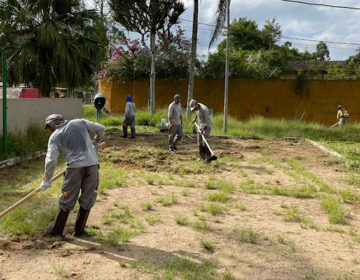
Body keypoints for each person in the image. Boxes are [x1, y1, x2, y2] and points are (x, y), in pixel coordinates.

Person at [40, 114, 105, 237]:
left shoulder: (54, 136)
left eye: (49, 128)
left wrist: (47, 178)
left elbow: (51, 160)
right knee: (88, 199)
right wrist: (96, 141)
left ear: (52, 125)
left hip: (74, 169)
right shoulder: (79, 122)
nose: (50, 130)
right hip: (93, 167)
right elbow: (100, 128)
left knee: (66, 200)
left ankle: (56, 233)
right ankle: (79, 232)